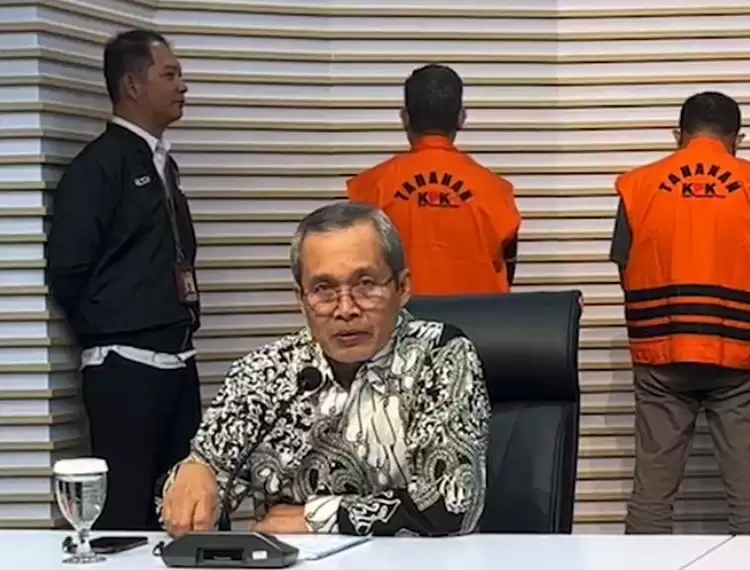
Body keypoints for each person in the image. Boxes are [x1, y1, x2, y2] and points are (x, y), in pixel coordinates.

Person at [159, 202, 490, 537]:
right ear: (301, 299)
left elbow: (453, 504)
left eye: (366, 284)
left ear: (402, 287)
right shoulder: (264, 373)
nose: (345, 309)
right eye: (324, 289)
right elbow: (198, 488)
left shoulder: (440, 356)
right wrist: (193, 476)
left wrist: (317, 517)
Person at [47, 29, 201, 530]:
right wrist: (117, 325)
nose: (182, 86)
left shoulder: (163, 163)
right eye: (170, 74)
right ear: (133, 86)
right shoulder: (98, 167)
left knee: (182, 511)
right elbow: (68, 270)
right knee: (128, 517)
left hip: (178, 359)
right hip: (126, 369)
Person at [610, 91, 750, 534]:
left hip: (660, 358)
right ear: (737, 139)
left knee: (651, 497)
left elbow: (624, 266)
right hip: (741, 358)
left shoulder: (637, 186)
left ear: (678, 135)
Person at [347, 63, 521, 296]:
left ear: (405, 118)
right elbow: (508, 269)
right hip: (477, 318)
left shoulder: (369, 188)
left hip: (398, 318)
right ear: (461, 117)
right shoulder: (496, 191)